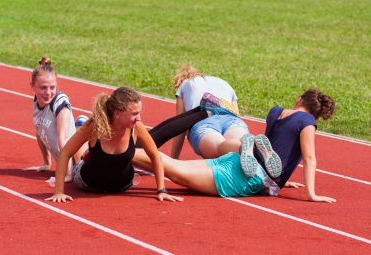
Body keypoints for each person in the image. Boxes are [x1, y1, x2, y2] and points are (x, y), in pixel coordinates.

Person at [133, 89, 336, 203]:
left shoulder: (276, 112)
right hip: (251, 176)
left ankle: (122, 153)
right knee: (175, 171)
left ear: (299, 99)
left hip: (239, 159)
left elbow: (272, 147)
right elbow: (309, 158)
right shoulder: (307, 123)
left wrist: (282, 179)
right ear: (317, 113)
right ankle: (120, 153)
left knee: (175, 165)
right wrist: (312, 194)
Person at [45, 87, 184, 203]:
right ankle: (80, 127)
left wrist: (162, 190)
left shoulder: (136, 127)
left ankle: (86, 149)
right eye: (134, 113)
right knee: (79, 154)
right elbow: (65, 152)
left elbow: (155, 155)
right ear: (117, 113)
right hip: (88, 184)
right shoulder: (94, 127)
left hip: (122, 186)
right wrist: (58, 192)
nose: (139, 118)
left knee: (91, 153)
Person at [25, 57, 86, 182]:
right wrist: (47, 164)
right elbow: (40, 132)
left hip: (79, 157)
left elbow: (64, 142)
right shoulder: (37, 101)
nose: (48, 92)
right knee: (77, 126)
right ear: (33, 86)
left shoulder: (60, 104)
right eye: (43, 87)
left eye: (52, 87)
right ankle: (81, 123)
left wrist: (68, 175)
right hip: (66, 158)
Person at [170, 64, 249, 159]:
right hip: (231, 119)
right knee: (239, 138)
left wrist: (173, 160)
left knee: (219, 148)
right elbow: (236, 115)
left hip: (204, 121)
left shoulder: (184, 85)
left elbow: (180, 126)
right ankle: (248, 144)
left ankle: (239, 147)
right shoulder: (224, 83)